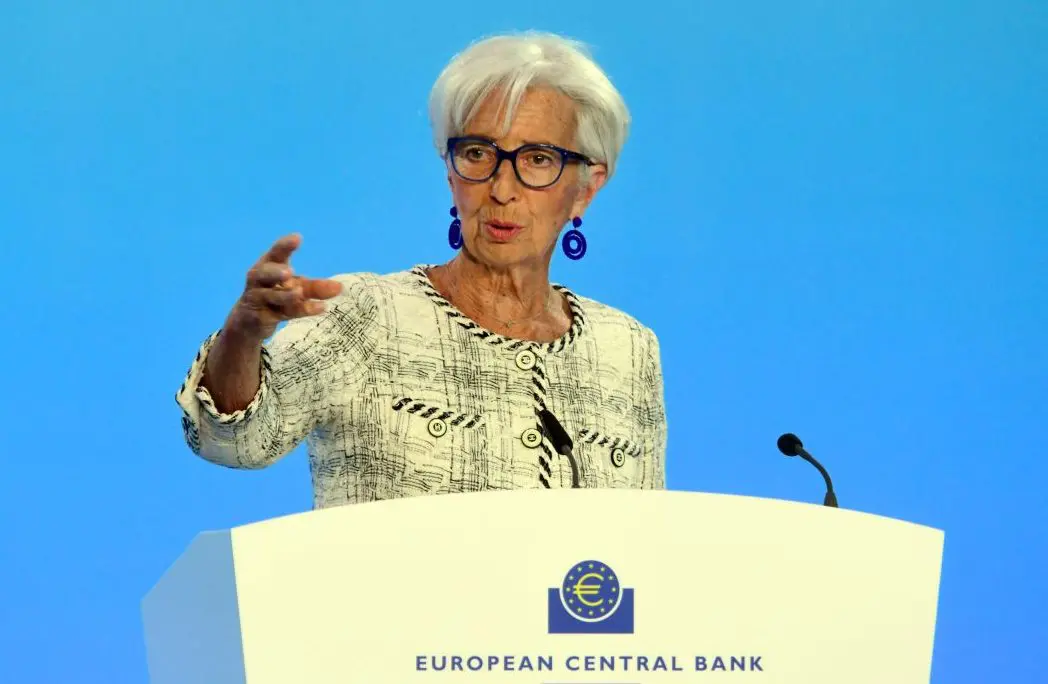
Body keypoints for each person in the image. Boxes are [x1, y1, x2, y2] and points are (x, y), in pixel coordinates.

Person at [175, 31, 667, 509]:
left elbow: (644, 541)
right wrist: (242, 334)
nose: (501, 189)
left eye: (538, 159)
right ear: (451, 173)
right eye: (478, 154)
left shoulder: (628, 349)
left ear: (586, 188)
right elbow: (235, 441)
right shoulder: (365, 315)